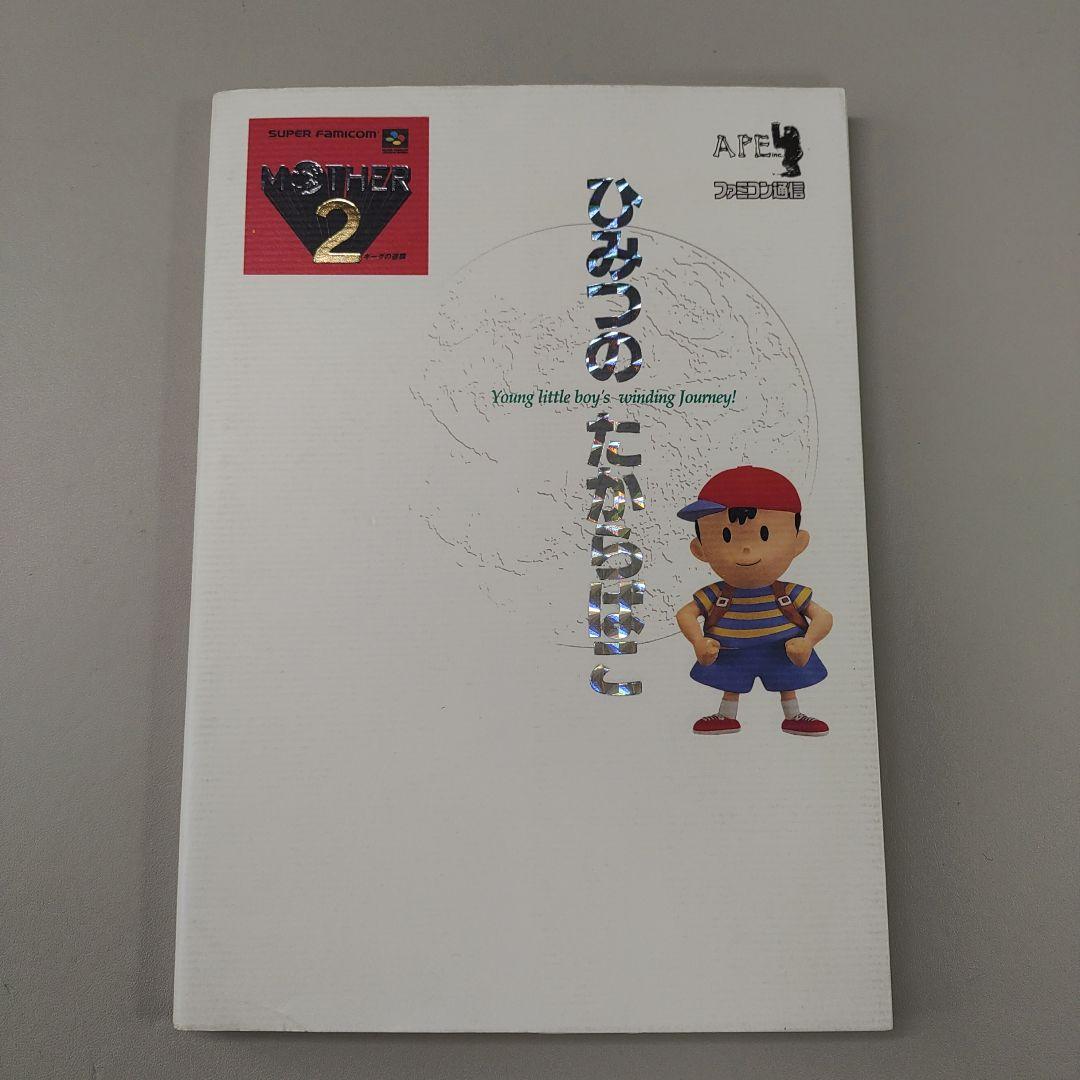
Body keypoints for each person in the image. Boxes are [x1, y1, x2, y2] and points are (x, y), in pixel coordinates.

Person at [675, 465, 833, 735]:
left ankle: (793, 716)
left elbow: (823, 617)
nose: (746, 550)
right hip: (731, 650)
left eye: (764, 534)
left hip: (782, 650)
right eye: (726, 536)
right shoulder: (717, 594)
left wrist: (807, 642)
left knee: (787, 680)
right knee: (730, 681)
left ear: (798, 543)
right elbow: (685, 614)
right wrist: (698, 641)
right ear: (699, 549)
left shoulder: (789, 593)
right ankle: (726, 716)